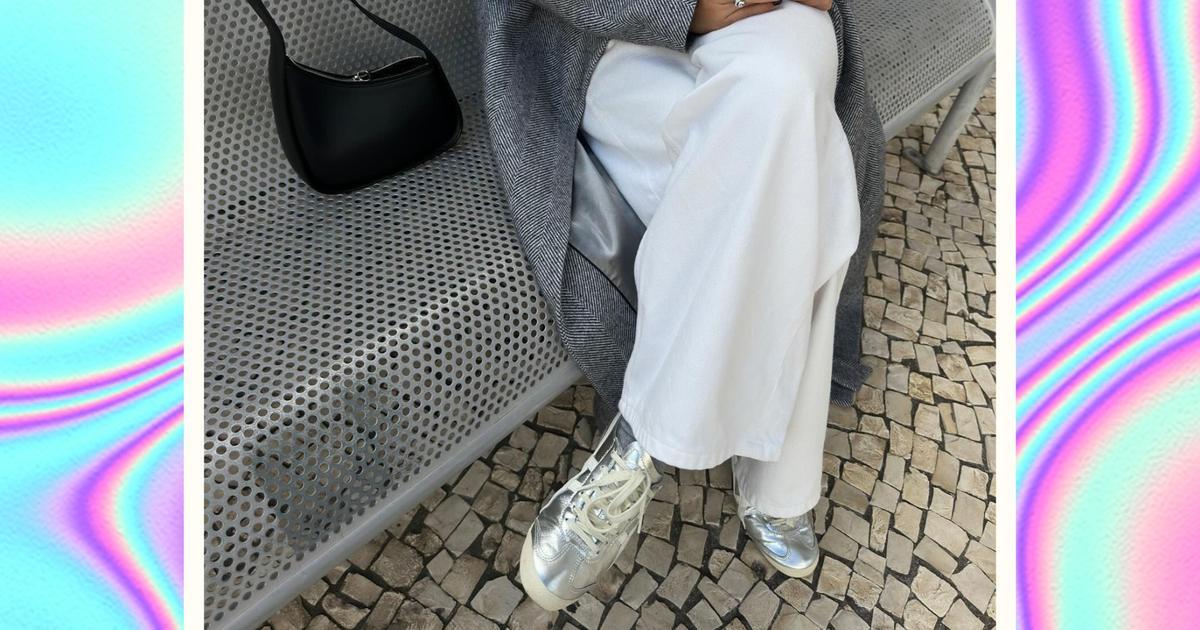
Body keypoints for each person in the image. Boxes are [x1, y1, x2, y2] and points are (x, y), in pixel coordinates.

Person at [477, 0, 885, 611]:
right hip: (603, 40)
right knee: (803, 147)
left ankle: (641, 437)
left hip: (779, 26)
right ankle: (777, 482)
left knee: (786, 87)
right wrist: (683, 9)